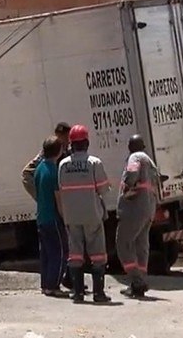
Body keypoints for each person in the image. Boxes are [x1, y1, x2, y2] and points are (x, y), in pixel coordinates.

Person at [58, 125, 112, 303]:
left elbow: (61, 188)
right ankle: (98, 293)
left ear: (71, 145)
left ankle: (78, 293)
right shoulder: (94, 163)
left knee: (75, 254)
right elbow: (104, 189)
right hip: (92, 214)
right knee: (97, 254)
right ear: (87, 143)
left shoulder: (63, 165)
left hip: (72, 216)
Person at [116, 134, 161, 298]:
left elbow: (131, 175)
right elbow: (157, 178)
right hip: (149, 208)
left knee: (122, 244)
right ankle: (140, 280)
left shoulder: (134, 158)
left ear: (130, 146)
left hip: (134, 209)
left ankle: (137, 281)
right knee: (142, 246)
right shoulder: (149, 160)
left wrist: (128, 185)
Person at [34, 136, 69, 298]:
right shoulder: (54, 171)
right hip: (52, 218)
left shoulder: (40, 168)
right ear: (59, 151)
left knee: (47, 253)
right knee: (60, 252)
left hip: (41, 216)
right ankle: (54, 285)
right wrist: (64, 218)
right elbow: (58, 198)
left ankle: (45, 284)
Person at [22, 122, 72, 201]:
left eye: (68, 138)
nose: (68, 141)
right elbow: (27, 173)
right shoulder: (49, 151)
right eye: (65, 137)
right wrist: (42, 198)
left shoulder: (67, 152)